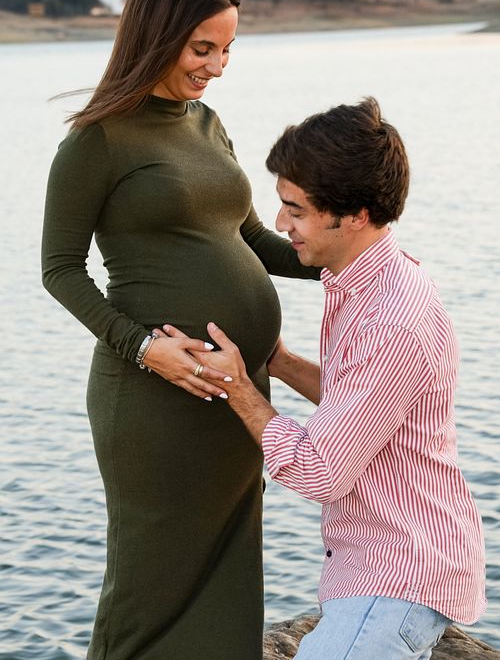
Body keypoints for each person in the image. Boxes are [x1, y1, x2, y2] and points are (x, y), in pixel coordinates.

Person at [41, 0, 320, 660]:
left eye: (227, 50)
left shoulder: (206, 124)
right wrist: (145, 349)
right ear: (157, 34)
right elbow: (59, 270)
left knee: (227, 566)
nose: (217, 66)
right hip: (153, 399)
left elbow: (251, 238)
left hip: (236, 391)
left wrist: (351, 251)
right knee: (150, 581)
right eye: (203, 49)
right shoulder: (98, 140)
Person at [182, 97, 486, 660]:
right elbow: (365, 406)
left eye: (295, 210)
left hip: (398, 576)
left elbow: (320, 470)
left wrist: (240, 391)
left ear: (353, 215)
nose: (280, 225)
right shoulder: (372, 285)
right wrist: (281, 362)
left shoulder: (390, 318)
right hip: (388, 565)